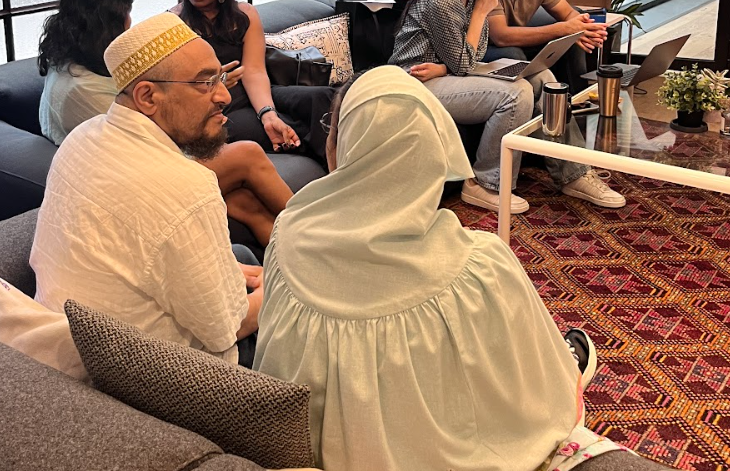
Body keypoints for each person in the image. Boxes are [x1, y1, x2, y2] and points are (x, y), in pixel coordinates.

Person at [254, 66, 633, 471]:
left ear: (347, 144)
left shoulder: (287, 237)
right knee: (541, 373)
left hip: (318, 455)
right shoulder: (481, 266)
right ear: (431, 150)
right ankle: (565, 362)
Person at [31, 13, 263, 366]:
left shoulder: (83, 137)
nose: (224, 96)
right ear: (148, 96)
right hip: (143, 375)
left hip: (68, 340)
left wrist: (228, 273)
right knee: (295, 301)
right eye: (205, 83)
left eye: (219, 77)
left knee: (240, 256)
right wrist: (281, 290)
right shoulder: (188, 188)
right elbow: (225, 329)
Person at [38, 0, 292, 246]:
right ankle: (311, 226)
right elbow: (153, 133)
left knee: (246, 203)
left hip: (144, 161)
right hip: (143, 175)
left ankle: (291, 252)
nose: (130, 23)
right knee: (248, 153)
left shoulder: (69, 59)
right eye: (126, 16)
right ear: (107, 25)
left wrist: (207, 85)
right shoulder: (83, 90)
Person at [388, 0, 624, 213]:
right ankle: (485, 184)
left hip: (442, 73)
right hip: (414, 82)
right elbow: (464, 63)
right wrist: (479, 14)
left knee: (544, 80)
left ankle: (574, 173)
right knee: (516, 94)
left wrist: (442, 66)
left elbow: (475, 50)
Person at [171, 0, 333, 164]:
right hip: (218, 107)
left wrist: (267, 113)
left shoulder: (244, 15)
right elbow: (175, 89)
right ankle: (331, 161)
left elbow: (254, 71)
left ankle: (332, 157)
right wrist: (215, 83)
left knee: (322, 97)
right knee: (292, 130)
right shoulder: (174, 23)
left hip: (256, 91)